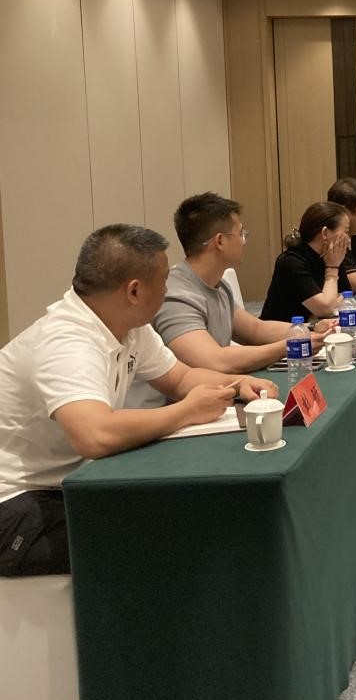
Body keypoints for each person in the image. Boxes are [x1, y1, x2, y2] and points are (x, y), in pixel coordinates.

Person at [0, 224, 271, 576]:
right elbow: (95, 435)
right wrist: (187, 411)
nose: (168, 289)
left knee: (188, 508)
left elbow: (180, 378)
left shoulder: (129, 325)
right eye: (164, 280)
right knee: (160, 535)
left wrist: (238, 384)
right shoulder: (66, 343)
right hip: (15, 502)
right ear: (134, 291)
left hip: (66, 481)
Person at [154, 193, 335, 375]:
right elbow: (215, 361)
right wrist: (291, 346)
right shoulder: (176, 297)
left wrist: (308, 330)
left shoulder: (219, 285)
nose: (244, 241)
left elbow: (255, 330)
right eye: (241, 233)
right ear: (220, 241)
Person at [259, 202, 353, 322]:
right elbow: (325, 309)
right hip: (286, 331)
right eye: (346, 232)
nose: (348, 239)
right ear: (325, 233)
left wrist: (329, 303)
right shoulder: (291, 262)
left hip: (314, 327)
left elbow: (346, 296)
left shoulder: (331, 255)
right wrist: (332, 268)